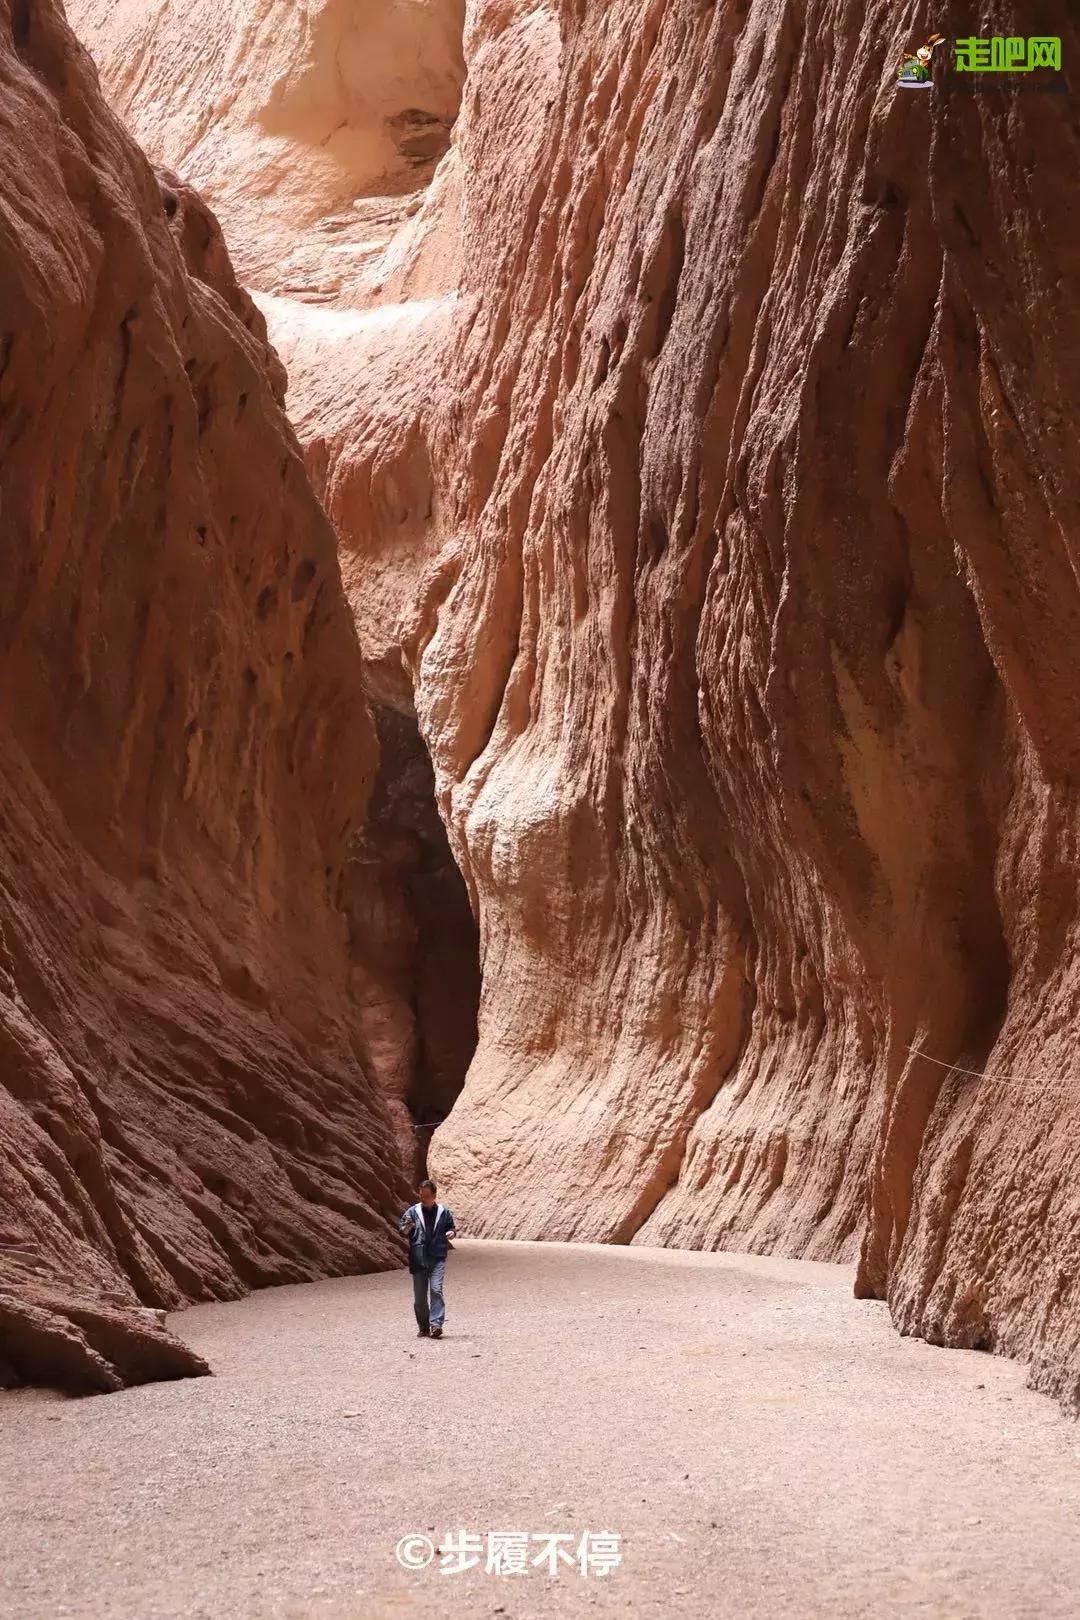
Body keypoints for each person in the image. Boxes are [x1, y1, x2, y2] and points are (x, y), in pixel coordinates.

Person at [399, 1179, 456, 1338]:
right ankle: (423, 1326)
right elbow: (402, 1229)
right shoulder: (412, 1211)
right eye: (421, 1195)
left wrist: (451, 1233)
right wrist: (407, 1227)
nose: (422, 1199)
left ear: (434, 1195)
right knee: (420, 1296)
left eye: (426, 1196)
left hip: (437, 1257)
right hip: (419, 1258)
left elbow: (451, 1227)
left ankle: (436, 1325)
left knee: (436, 1289)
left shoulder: (443, 1212)